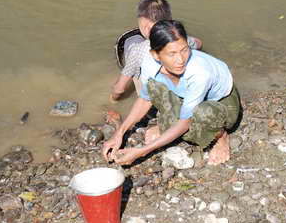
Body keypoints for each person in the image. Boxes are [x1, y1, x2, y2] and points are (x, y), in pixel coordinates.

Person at [102, 20, 240, 166]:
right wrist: (119, 133)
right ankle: (167, 127)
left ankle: (220, 136)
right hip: (185, 95)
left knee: (199, 117)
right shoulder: (149, 62)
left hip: (222, 102)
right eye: (172, 54)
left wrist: (141, 151)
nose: (180, 60)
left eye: (184, 50)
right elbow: (144, 99)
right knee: (153, 87)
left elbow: (185, 122)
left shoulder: (199, 72)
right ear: (156, 55)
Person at [110, 0, 202, 101]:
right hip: (180, 93)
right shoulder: (182, 41)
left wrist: (113, 99)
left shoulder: (138, 51)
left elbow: (119, 89)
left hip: (151, 99)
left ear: (146, 27)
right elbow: (199, 43)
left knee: (130, 43)